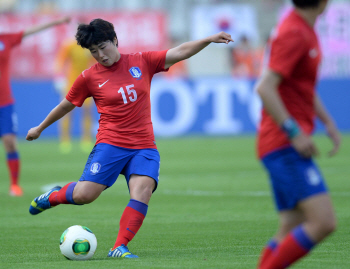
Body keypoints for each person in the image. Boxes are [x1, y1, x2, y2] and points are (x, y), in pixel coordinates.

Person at [26, 18, 233, 258]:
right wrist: (40, 128)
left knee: (142, 191)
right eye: (94, 52)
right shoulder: (89, 77)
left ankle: (119, 246)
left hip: (144, 146)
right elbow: (66, 105)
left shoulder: (141, 61)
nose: (100, 55)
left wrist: (208, 39)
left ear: (115, 40)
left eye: (103, 47)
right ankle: (53, 196)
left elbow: (179, 52)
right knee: (85, 195)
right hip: (110, 144)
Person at [254, 0, 341, 268]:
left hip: (279, 143)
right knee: (324, 222)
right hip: (283, 144)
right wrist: (294, 132)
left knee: (291, 224)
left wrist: (327, 121)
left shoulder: (301, 26)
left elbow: (300, 86)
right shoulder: (295, 32)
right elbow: (265, 88)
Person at [0, 16, 70, 197]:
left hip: (4, 102)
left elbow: (31, 31)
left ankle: (14, 185)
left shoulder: (6, 39)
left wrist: (55, 21)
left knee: (10, 142)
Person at [54, 37, 94, 154]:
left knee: (87, 111)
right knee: (67, 111)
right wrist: (59, 77)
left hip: (87, 83)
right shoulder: (69, 45)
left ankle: (86, 139)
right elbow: (60, 61)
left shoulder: (90, 46)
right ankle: (65, 140)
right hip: (71, 83)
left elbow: (96, 62)